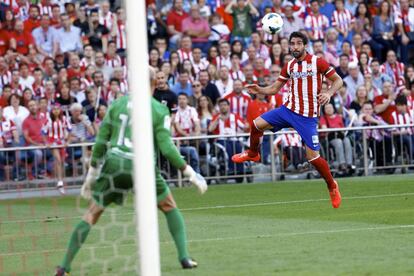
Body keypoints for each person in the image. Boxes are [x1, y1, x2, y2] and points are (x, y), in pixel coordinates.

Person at [55, 68, 207, 275]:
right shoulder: (158, 109)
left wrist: (91, 174)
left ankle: (64, 266)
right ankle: (184, 258)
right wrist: (190, 173)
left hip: (114, 164)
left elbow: (101, 140)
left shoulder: (117, 104)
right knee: (169, 206)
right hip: (142, 167)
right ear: (155, 82)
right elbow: (167, 148)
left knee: (92, 214)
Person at [232, 32, 343, 208]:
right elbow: (275, 89)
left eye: (299, 43)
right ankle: (253, 154)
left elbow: (338, 80)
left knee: (313, 158)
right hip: (287, 110)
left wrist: (328, 93)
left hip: (307, 117)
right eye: (292, 44)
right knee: (256, 125)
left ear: (305, 45)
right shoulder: (290, 65)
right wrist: (259, 89)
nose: (295, 47)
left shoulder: (318, 62)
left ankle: (331, 185)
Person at [42, 103, 71, 194]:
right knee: (58, 160)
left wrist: (68, 141)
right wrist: (47, 143)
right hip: (53, 141)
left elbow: (70, 130)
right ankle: (60, 182)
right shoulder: (48, 121)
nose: (56, 111)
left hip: (61, 142)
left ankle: (60, 179)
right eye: (54, 109)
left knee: (61, 161)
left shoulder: (64, 120)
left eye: (57, 109)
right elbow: (43, 132)